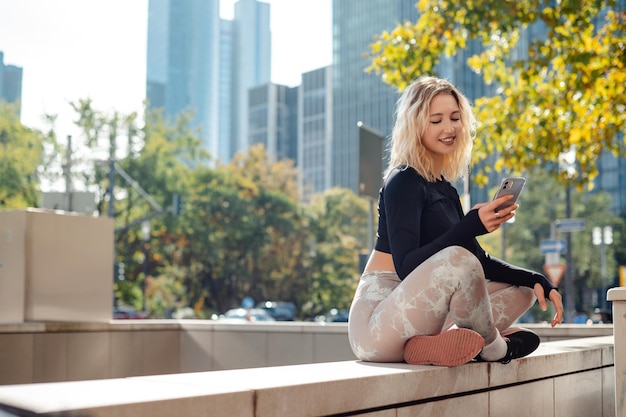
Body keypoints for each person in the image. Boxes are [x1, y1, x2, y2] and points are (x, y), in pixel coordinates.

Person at [348, 76, 564, 367]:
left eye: (455, 117)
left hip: (422, 315)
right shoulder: (403, 180)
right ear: (415, 125)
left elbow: (478, 261)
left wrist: (538, 279)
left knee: (523, 290)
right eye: (436, 120)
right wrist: (470, 226)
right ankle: (495, 348)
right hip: (376, 326)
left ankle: (428, 346)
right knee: (458, 259)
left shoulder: (446, 189)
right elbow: (407, 266)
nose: (449, 128)